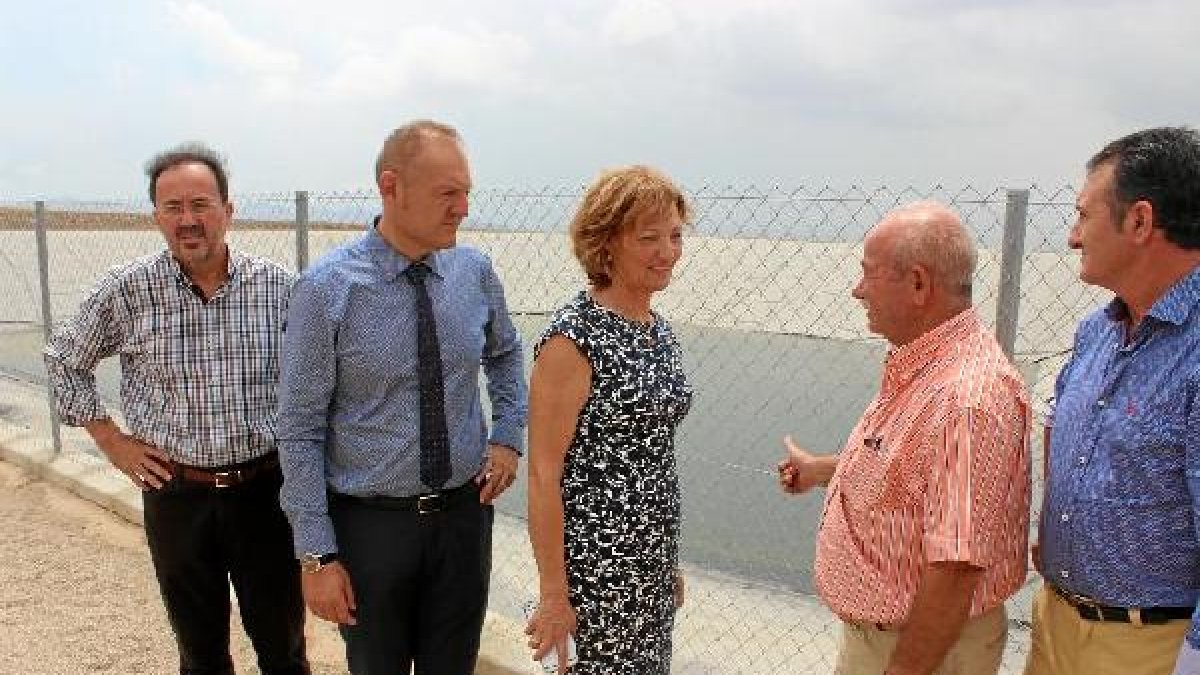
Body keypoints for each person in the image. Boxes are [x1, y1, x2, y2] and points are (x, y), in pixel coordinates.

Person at [43, 143, 308, 674]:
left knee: (283, 649)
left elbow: (319, 387)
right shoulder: (127, 289)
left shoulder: (281, 289)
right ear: (157, 217)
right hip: (176, 496)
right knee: (200, 651)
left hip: (266, 494)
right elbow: (63, 359)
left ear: (228, 212)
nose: (189, 220)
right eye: (174, 208)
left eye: (202, 205)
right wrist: (110, 440)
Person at [276, 120, 527, 675]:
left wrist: (508, 437)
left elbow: (506, 354)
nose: (462, 208)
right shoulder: (325, 290)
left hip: (464, 520)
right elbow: (298, 427)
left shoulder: (474, 272)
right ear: (392, 186)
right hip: (371, 531)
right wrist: (316, 556)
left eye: (466, 192)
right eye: (447, 193)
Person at [778, 201, 1031, 675]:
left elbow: (956, 567)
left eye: (868, 274)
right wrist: (823, 471)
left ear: (918, 284)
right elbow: (912, 472)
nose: (857, 290)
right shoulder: (927, 368)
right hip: (894, 641)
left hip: (921, 650)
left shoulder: (966, 398)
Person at [1023, 127, 1200, 675]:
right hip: (1055, 621)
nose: (1074, 237)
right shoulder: (1095, 333)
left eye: (1083, 215)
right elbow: (1062, 428)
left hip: (1146, 649)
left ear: (1140, 221)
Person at [524, 165, 693, 674]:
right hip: (596, 571)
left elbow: (651, 451)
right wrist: (554, 595)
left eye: (675, 235)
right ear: (606, 243)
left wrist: (667, 561)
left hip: (651, 562)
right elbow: (542, 474)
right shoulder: (573, 339)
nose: (668, 251)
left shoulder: (656, 329)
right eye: (649, 238)